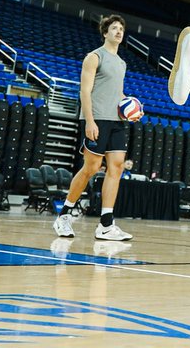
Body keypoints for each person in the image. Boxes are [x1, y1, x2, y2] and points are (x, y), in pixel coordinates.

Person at [53, 14, 139, 241]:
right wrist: (89, 121)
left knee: (117, 168)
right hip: (97, 118)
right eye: (114, 28)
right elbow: (85, 91)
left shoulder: (121, 63)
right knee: (91, 168)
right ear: (105, 33)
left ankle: (106, 225)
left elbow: (117, 93)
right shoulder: (94, 57)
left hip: (116, 121)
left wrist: (132, 108)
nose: (119, 31)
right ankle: (63, 215)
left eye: (121, 28)